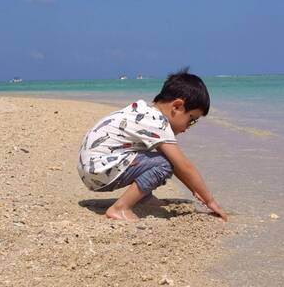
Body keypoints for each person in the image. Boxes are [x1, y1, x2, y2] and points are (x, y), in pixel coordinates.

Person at [77, 68, 228, 222]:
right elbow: (183, 166)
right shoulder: (157, 123)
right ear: (176, 106)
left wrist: (195, 190)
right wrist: (210, 201)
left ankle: (143, 199)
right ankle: (120, 208)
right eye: (192, 120)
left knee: (160, 158)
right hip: (100, 170)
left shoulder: (145, 113)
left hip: (91, 169)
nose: (188, 127)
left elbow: (181, 170)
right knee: (165, 163)